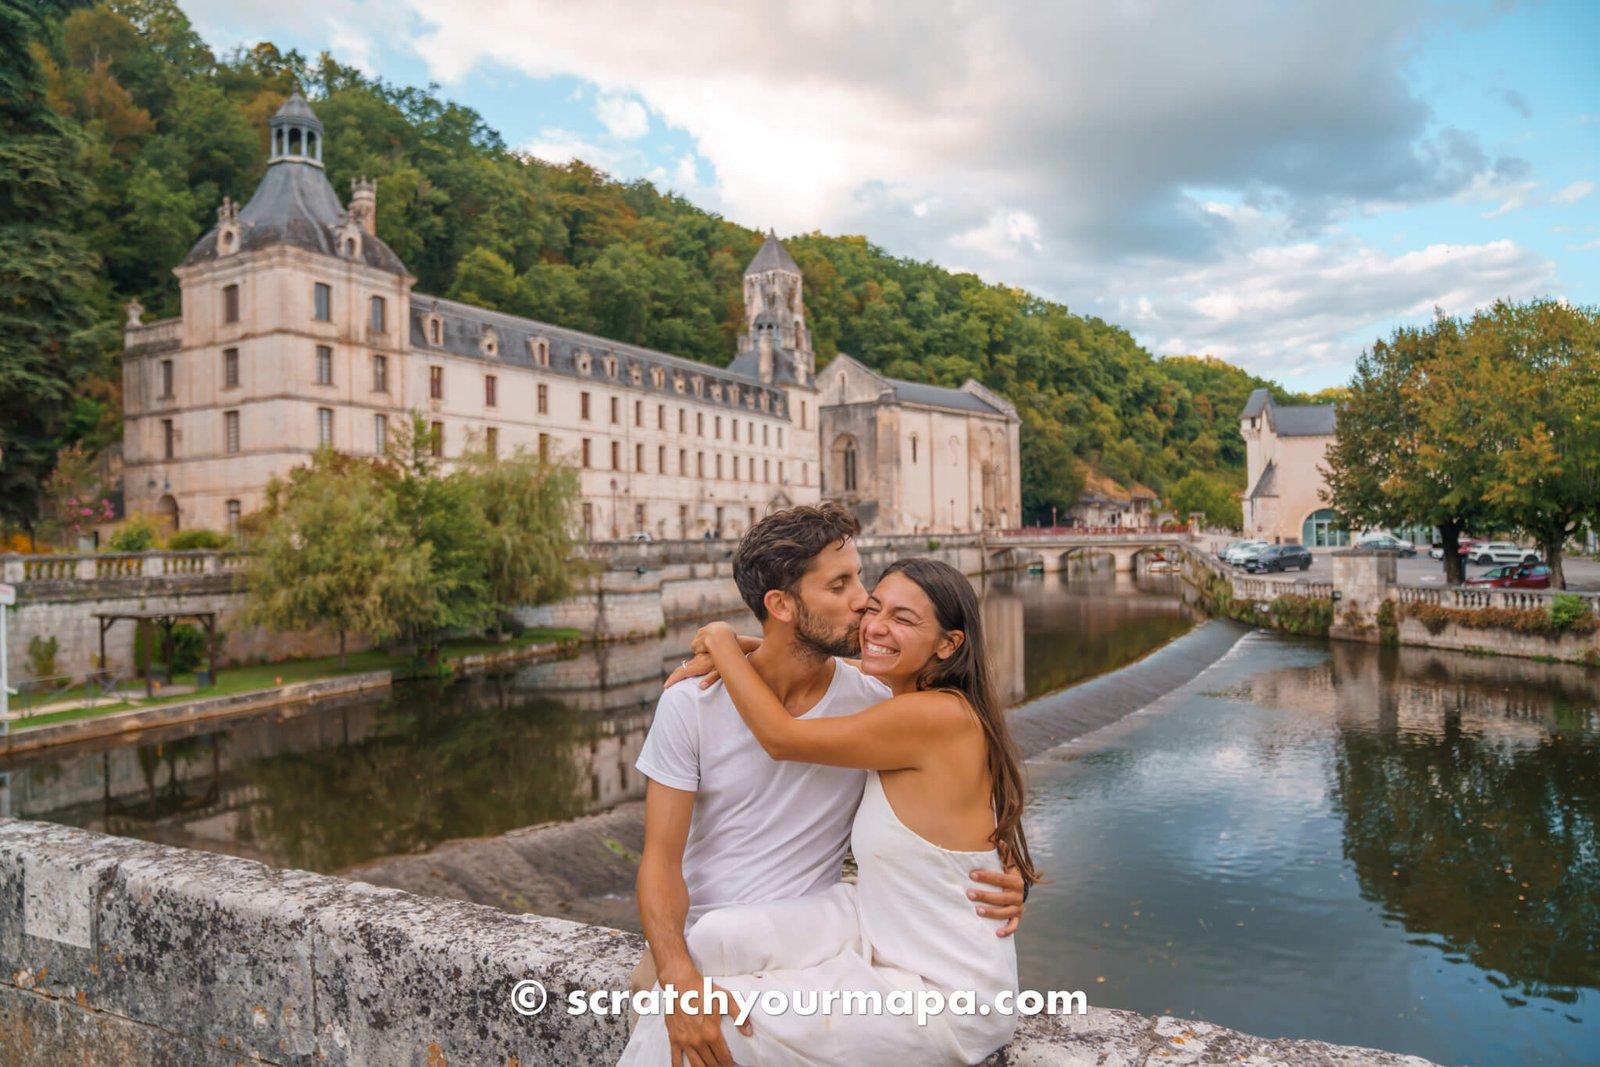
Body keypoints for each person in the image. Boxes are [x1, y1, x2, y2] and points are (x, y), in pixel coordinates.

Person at [629, 504, 1025, 1067]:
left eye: (861, 579)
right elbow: (659, 862)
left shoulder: (880, 701)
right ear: (782, 605)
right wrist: (674, 974)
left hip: (847, 934)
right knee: (694, 968)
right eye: (843, 584)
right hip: (758, 928)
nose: (863, 600)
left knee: (700, 1026)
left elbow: (962, 802)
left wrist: (722, 639)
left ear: (947, 643)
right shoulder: (690, 702)